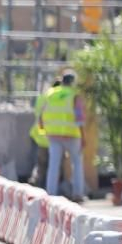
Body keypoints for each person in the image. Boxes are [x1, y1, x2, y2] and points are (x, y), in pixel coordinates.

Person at [40, 70, 85, 199]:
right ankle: (78, 193)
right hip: (71, 134)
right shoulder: (74, 95)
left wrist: (44, 129)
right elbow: (79, 118)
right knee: (77, 164)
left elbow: (41, 115)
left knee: (53, 164)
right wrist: (83, 137)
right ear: (73, 82)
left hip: (53, 135)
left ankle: (51, 193)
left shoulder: (50, 93)